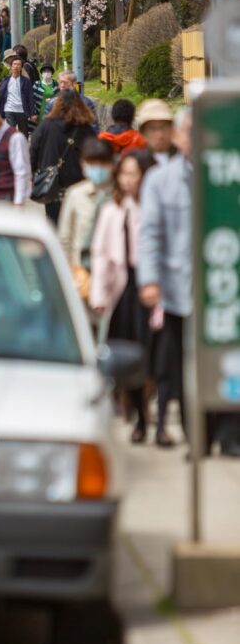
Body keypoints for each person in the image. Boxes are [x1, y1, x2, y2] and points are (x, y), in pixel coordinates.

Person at [91, 149, 157, 443]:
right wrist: (99, 294)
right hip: (124, 290)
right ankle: (140, 416)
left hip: (151, 287)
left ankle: (153, 410)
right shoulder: (111, 210)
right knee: (129, 354)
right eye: (124, 174)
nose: (128, 180)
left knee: (154, 353)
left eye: (134, 174)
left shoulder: (154, 209)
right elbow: (101, 255)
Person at [138, 108, 192, 447]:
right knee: (163, 357)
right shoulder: (142, 166)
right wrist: (149, 278)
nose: (159, 134)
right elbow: (149, 232)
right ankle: (155, 421)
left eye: (164, 127)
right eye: (153, 128)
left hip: (206, 288)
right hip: (167, 285)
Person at [57, 137, 115, 300]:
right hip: (81, 274)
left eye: (102, 163)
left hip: (113, 274)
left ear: (112, 164)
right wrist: (69, 272)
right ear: (83, 164)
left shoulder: (119, 195)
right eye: (92, 163)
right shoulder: (75, 194)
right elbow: (65, 237)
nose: (97, 168)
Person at [30, 91, 96, 223]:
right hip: (77, 183)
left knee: (53, 221)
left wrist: (32, 174)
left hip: (52, 183)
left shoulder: (47, 125)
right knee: (75, 222)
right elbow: (93, 155)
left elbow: (33, 150)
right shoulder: (85, 129)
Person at [0, 53, 35, 136]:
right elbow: (0, 96)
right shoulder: (5, 80)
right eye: (14, 64)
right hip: (9, 109)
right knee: (10, 133)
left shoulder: (26, 81)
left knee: (23, 134)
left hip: (22, 110)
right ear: (11, 66)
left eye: (18, 64)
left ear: (21, 68)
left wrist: (32, 113)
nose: (16, 66)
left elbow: (30, 97)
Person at [135, 98, 176, 164]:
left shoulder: (186, 156)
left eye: (163, 127)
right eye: (153, 129)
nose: (160, 135)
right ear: (143, 133)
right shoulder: (135, 163)